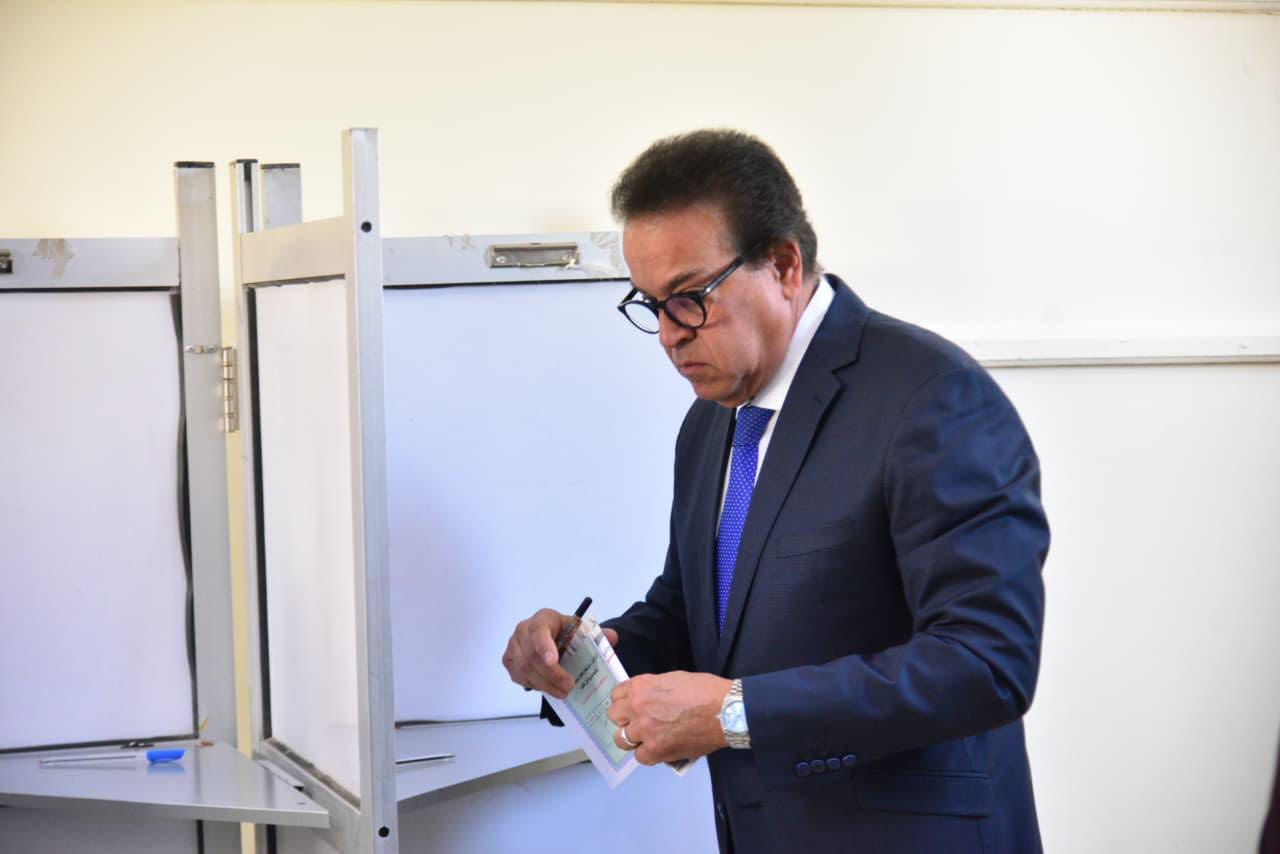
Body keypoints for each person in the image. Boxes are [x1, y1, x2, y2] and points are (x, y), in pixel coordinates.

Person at [502, 129, 1049, 853]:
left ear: (785, 265)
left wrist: (734, 712)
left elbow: (987, 662)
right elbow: (697, 615)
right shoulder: (712, 421)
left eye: (689, 298)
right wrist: (585, 657)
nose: (668, 335)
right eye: (650, 303)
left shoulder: (933, 399)